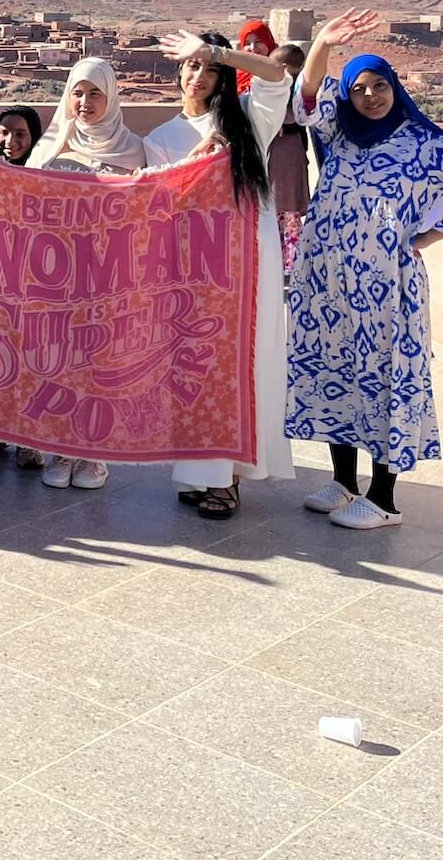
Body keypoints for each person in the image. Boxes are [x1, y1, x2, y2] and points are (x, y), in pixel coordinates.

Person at [286, 9, 443, 529]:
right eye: (359, 88)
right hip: (328, 282)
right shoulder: (337, 133)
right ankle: (344, 482)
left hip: (388, 288)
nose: (370, 96)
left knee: (386, 379)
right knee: (336, 372)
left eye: (379, 86)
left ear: (395, 88)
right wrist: (322, 41)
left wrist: (427, 237)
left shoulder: (423, 143)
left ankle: (384, 498)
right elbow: (304, 99)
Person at [143, 29, 298, 520]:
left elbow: (279, 75)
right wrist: (188, 169)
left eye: (208, 68)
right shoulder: (161, 138)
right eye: (190, 66)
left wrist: (215, 50)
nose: (198, 76)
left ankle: (227, 478)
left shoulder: (250, 118)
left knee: (238, 362)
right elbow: (157, 206)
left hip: (247, 261)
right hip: (192, 264)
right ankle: (198, 472)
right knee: (196, 365)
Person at [24, 58, 146, 489]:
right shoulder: (49, 147)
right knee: (58, 363)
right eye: (78, 92)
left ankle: (92, 453)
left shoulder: (132, 150)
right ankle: (58, 448)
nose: (85, 102)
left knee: (101, 365)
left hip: (109, 278)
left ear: (111, 96)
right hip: (57, 278)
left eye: (95, 93)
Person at [266, 42, 313, 271]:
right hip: (283, 152)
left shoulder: (291, 90)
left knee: (287, 211)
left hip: (286, 154)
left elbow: (292, 118)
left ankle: (290, 265)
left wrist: (275, 120)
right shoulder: (286, 87)